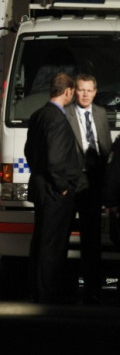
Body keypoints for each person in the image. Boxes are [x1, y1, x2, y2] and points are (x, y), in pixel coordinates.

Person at [24, 72, 87, 304]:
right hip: (54, 190)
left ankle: (37, 288)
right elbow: (55, 157)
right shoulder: (58, 118)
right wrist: (62, 186)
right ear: (68, 91)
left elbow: (29, 152)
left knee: (40, 240)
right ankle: (48, 292)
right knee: (53, 244)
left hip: (41, 186)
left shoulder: (38, 114)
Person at [64, 74, 112, 304]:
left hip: (93, 183)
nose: (85, 94)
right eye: (81, 90)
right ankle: (65, 285)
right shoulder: (65, 112)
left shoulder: (101, 113)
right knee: (63, 234)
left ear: (95, 92)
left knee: (91, 237)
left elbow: (105, 148)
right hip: (72, 180)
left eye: (89, 90)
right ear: (75, 91)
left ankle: (93, 287)